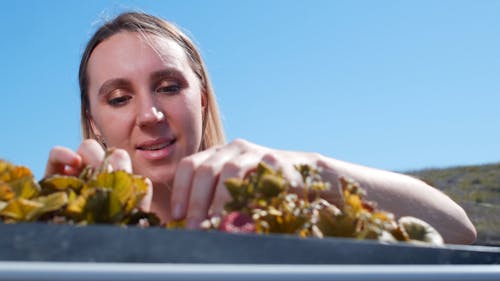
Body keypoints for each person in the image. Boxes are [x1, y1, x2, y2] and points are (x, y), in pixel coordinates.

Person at [45, 12, 476, 244]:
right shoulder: (63, 231)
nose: (150, 115)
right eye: (119, 98)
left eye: (169, 87)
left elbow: (455, 229)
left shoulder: (274, 219)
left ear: (202, 98)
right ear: (93, 121)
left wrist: (307, 170)